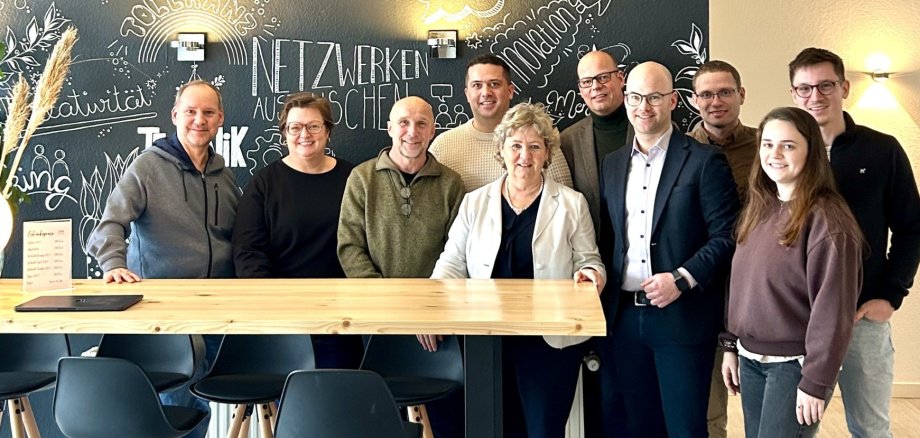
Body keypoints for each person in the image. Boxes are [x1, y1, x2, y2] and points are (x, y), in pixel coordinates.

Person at [428, 102, 605, 438]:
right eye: (516, 145)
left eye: (535, 146)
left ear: (547, 153)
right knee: (494, 428)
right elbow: (451, 262)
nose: (525, 155)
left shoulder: (571, 203)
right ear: (501, 150)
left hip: (549, 344)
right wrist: (433, 309)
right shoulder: (474, 202)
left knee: (542, 430)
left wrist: (590, 276)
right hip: (486, 342)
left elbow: (590, 261)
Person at [86, 79, 240, 438]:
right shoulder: (148, 167)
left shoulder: (224, 174)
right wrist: (114, 264)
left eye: (208, 112)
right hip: (167, 311)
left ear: (220, 119)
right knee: (178, 404)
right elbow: (109, 224)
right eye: (190, 111)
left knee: (203, 402)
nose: (199, 120)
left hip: (219, 307)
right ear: (175, 115)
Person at [598, 62, 739, 437]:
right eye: (635, 97)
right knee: (638, 428)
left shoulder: (704, 160)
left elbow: (727, 235)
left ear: (673, 100)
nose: (643, 107)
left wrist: (681, 278)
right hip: (625, 319)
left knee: (685, 429)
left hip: (682, 319)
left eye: (654, 97)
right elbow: (609, 239)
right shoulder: (612, 165)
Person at [789, 47, 920, 438]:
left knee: (870, 428)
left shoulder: (882, 150)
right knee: (796, 429)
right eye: (804, 88)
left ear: (844, 87)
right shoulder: (783, 152)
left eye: (825, 85)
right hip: (798, 319)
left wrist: (891, 295)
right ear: (793, 94)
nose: (815, 96)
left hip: (861, 317)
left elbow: (912, 227)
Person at [720, 106, 863, 437]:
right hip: (750, 358)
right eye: (767, 144)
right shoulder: (760, 207)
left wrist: (816, 381)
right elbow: (739, 284)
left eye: (788, 145)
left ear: (811, 151)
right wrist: (730, 344)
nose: (775, 154)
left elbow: (833, 311)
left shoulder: (828, 221)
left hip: (794, 367)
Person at [337, 95, 465, 438]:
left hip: (435, 324)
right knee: (381, 419)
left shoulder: (452, 184)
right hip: (377, 320)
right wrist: (389, 306)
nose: (412, 131)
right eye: (404, 123)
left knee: (446, 417)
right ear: (390, 128)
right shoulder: (362, 178)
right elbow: (350, 247)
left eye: (422, 124)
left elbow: (457, 254)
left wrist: (429, 311)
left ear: (433, 130)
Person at [232, 92, 362, 369]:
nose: (305, 134)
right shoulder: (264, 183)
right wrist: (272, 304)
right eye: (295, 127)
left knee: (338, 388)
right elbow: (248, 250)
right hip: (282, 315)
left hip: (342, 315)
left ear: (327, 131)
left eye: (313, 126)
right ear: (284, 133)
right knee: (287, 392)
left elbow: (366, 243)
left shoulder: (354, 179)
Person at [559, 48, 633, 438]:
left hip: (642, 278)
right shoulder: (568, 140)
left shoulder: (646, 125)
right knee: (600, 384)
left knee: (634, 382)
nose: (596, 87)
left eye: (604, 77)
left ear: (621, 78)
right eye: (587, 81)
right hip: (591, 278)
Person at [689, 59, 758, 438]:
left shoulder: (767, 146)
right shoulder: (681, 151)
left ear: (741, 95)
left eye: (725, 92)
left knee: (765, 407)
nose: (716, 102)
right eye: (707, 94)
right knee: (708, 409)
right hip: (704, 291)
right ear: (694, 100)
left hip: (758, 293)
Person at [430, 54, 573, 192]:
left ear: (510, 91)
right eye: (477, 85)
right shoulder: (442, 147)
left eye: (494, 84)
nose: (486, 92)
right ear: (467, 94)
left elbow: (564, 200)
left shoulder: (541, 141)